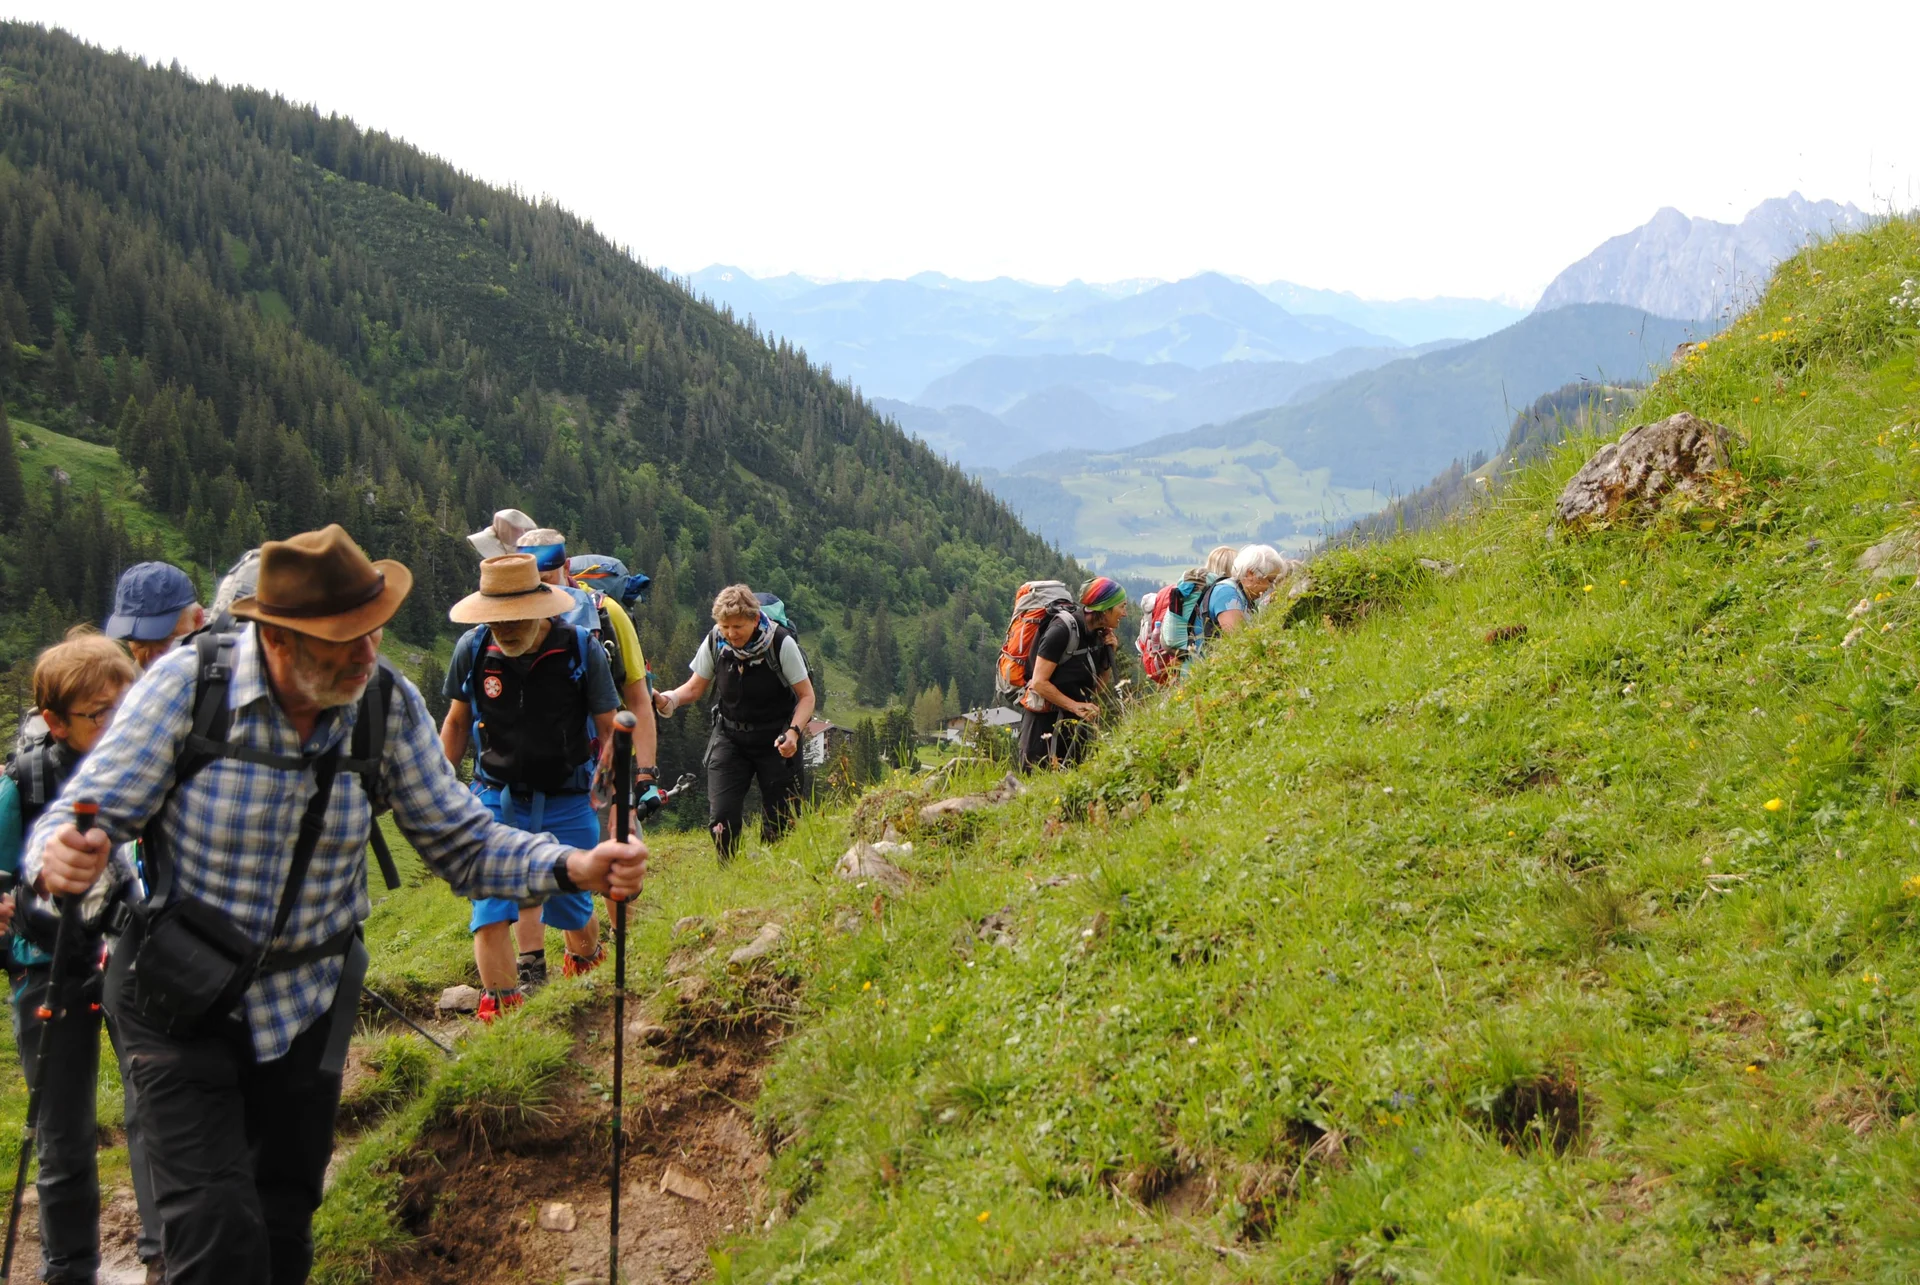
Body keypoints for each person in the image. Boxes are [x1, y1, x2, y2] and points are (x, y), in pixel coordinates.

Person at [23, 525, 647, 1284]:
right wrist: (64, 854)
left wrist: (575, 863)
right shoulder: (185, 688)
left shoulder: (382, 703)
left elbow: (460, 842)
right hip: (177, 1004)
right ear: (276, 640)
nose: (365, 653)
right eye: (343, 640)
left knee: (284, 1228)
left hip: (307, 1003)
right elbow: (79, 819)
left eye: (373, 631)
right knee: (215, 1240)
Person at [1, 631, 165, 1284]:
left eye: (126, 707)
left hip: (132, 947)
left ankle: (165, 1253)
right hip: (49, 963)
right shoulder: (23, 786)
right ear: (54, 720)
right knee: (64, 1130)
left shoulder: (145, 761)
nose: (116, 725)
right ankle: (70, 1268)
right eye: (99, 714)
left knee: (156, 1101)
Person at [439, 554, 621, 1018]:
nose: (504, 629)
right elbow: (457, 723)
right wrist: (441, 792)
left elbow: (607, 728)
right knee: (489, 907)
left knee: (573, 910)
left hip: (566, 797)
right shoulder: (474, 649)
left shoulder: (582, 649)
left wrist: (615, 801)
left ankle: (583, 963)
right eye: (495, 619)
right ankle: (503, 1014)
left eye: (514, 618)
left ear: (541, 606)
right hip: (493, 800)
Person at [653, 584, 816, 860]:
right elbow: (694, 688)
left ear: (754, 619)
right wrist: (667, 700)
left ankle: (774, 873)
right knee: (721, 817)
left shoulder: (780, 642)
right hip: (730, 738)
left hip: (776, 740)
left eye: (737, 626)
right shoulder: (716, 641)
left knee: (781, 820)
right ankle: (729, 870)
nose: (730, 633)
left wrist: (793, 733)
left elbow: (807, 696)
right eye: (725, 626)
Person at [1018, 577, 1126, 772]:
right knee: (1035, 782)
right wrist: (1075, 706)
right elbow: (1039, 683)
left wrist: (1111, 655)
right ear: (1105, 607)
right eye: (1121, 607)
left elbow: (1098, 688)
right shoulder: (1061, 631)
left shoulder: (1100, 635)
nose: (1125, 613)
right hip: (1042, 724)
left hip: (1076, 725)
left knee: (1072, 781)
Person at [104, 561, 204, 670]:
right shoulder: (129, 683)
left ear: (198, 620)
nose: (151, 657)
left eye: (163, 640)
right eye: (139, 642)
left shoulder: (223, 676)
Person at [1211, 544, 1294, 637]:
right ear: (1250, 574)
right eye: (1270, 580)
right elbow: (1237, 640)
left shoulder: (1243, 596)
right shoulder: (1227, 595)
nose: (1270, 586)